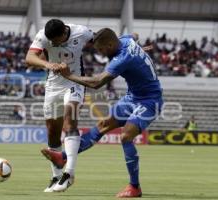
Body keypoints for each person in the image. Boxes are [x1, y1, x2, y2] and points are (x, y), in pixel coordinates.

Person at [41, 28, 163, 198]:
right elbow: (135, 34)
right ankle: (63, 157)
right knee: (103, 125)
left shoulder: (123, 57)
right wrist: (139, 48)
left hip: (150, 101)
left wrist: (68, 75)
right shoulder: (126, 40)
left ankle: (134, 187)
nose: (101, 53)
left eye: (101, 49)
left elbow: (97, 82)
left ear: (111, 44)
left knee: (126, 136)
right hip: (132, 98)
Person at [25, 19, 94, 192]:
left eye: (56, 40)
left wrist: (127, 45)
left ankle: (69, 173)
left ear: (64, 32)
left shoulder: (81, 32)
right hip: (53, 85)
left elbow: (101, 39)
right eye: (52, 41)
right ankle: (56, 176)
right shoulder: (43, 36)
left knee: (70, 122)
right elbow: (29, 58)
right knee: (52, 132)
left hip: (74, 81)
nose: (54, 44)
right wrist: (48, 64)